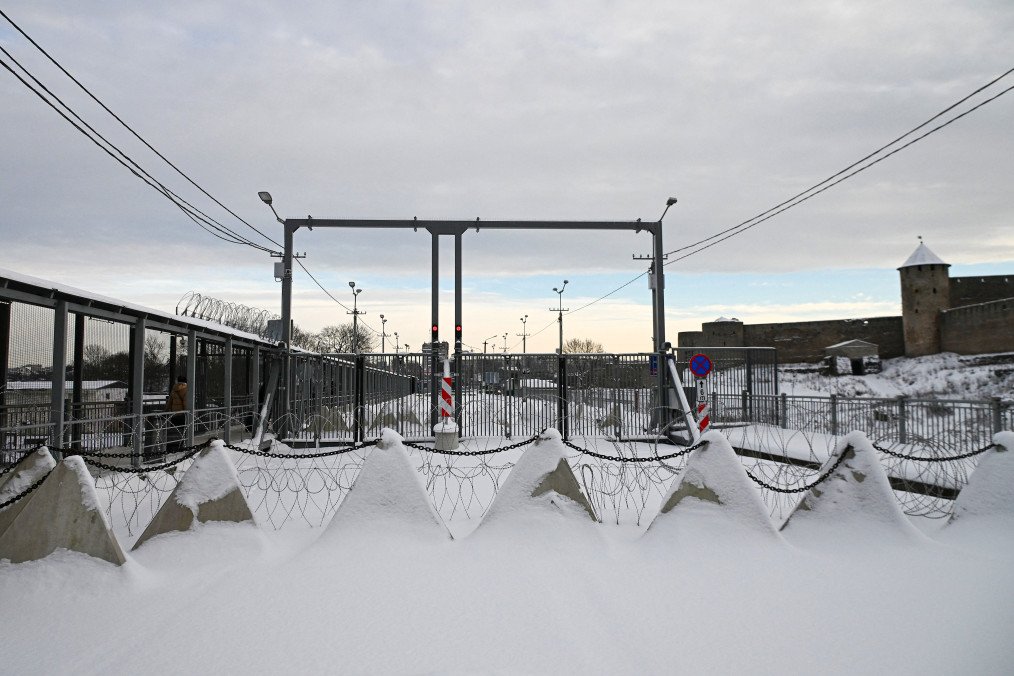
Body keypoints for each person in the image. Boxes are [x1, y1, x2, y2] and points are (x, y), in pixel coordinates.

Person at [166, 375, 188, 451]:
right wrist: (187, 412)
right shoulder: (185, 389)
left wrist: (166, 410)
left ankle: (174, 445)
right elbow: (185, 402)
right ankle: (181, 445)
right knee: (183, 430)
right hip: (182, 413)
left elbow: (170, 401)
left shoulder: (174, 389)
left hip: (174, 413)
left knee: (175, 430)